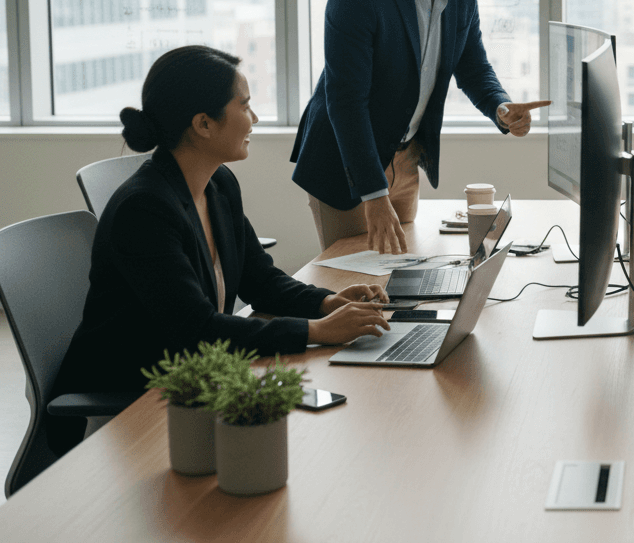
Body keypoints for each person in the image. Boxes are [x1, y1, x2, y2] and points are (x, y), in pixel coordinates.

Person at [53, 46, 391, 443]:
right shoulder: (144, 210)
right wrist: (317, 330)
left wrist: (326, 302)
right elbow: (197, 332)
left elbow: (259, 280)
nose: (255, 118)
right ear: (203, 124)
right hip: (131, 408)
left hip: (195, 384)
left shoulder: (218, 185)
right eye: (244, 105)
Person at [291, 0, 549, 254]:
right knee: (353, 284)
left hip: (407, 160)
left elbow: (474, 67)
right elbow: (346, 103)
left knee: (401, 279)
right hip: (348, 166)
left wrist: (501, 107)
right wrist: (374, 194)